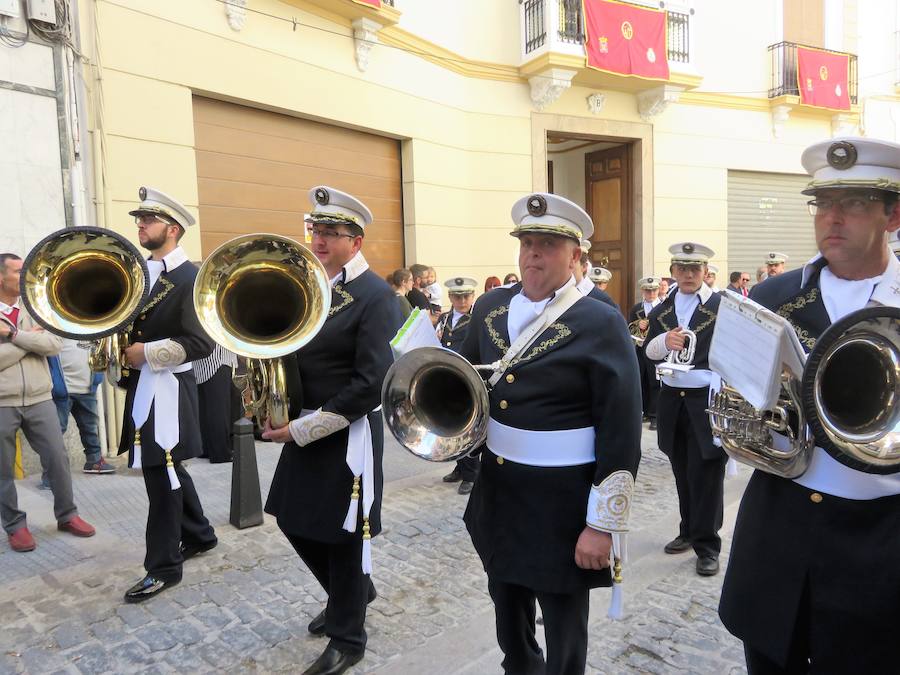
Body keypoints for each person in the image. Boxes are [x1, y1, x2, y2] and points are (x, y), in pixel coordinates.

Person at [719, 137, 900, 674]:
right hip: (779, 530)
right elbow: (729, 395)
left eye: (855, 202)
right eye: (823, 202)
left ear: (893, 214)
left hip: (881, 538)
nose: (833, 217)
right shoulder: (771, 297)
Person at [459, 192, 641, 675]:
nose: (534, 254)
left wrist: (601, 525)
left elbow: (621, 431)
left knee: (564, 627)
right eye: (527, 243)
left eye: (548, 244)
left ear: (576, 255)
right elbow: (464, 379)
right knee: (507, 608)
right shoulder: (491, 309)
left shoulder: (600, 320)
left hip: (563, 502)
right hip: (500, 491)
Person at [262, 186, 399, 675]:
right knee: (289, 517)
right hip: (305, 428)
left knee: (343, 537)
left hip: (345, 434)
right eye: (315, 230)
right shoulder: (310, 286)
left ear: (355, 242)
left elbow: (371, 385)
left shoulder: (377, 297)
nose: (318, 240)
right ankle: (354, 594)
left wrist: (301, 429)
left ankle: (348, 636)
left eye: (331, 233)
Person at [118, 187, 217, 603]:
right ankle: (199, 535)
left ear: (172, 229)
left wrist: (146, 352)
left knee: (162, 478)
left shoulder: (190, 278)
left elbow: (201, 343)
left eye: (148, 220)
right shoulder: (142, 274)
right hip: (146, 387)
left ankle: (163, 567)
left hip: (169, 390)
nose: (140, 225)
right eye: (139, 219)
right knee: (170, 470)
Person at [0, 253, 96, 552]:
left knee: (58, 458)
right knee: (2, 469)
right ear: (1, 277)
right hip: (2, 402)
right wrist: (30, 342)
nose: (25, 276)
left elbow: (54, 344)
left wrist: (13, 335)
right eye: (18, 271)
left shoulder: (36, 308)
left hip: (41, 397)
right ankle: (15, 526)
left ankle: (67, 515)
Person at [644, 242, 725, 577]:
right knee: (682, 469)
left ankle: (708, 545)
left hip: (706, 401)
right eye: (682, 269)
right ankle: (688, 529)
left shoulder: (722, 306)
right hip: (672, 401)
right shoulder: (662, 309)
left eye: (696, 269)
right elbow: (648, 352)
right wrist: (665, 343)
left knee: (706, 473)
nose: (689, 275)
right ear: (673, 271)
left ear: (705, 272)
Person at [436, 277, 479, 495]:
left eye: (466, 296)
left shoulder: (477, 318)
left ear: (473, 296)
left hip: (467, 379)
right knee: (451, 426)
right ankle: (460, 468)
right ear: (450, 297)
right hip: (447, 377)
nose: (462, 300)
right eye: (456, 296)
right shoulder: (444, 318)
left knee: (467, 428)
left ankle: (472, 474)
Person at [49, 339, 113, 474]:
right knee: (56, 431)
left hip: (87, 388)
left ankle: (94, 461)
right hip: (62, 390)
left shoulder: (89, 328)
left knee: (90, 428)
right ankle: (51, 472)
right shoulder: (57, 329)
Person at [193, 344, 242, 463]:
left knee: (207, 406)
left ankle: (206, 449)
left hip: (204, 357)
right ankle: (220, 452)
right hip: (218, 356)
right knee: (219, 408)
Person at [628, 277, 661, 430]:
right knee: (641, 379)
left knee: (654, 382)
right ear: (643, 291)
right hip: (641, 348)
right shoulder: (637, 308)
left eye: (654, 290)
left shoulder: (663, 306)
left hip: (657, 349)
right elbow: (629, 328)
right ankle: (645, 411)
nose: (651, 293)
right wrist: (638, 325)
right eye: (648, 290)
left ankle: (655, 415)